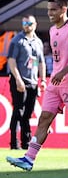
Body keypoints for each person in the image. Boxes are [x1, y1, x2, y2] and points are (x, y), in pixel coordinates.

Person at [6, 0, 68, 172]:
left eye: (53, 10)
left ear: (64, 9)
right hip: (55, 82)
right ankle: (28, 159)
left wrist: (63, 72)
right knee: (44, 118)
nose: (50, 13)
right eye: (48, 10)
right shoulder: (53, 30)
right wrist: (52, 75)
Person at [7, 15, 46, 150]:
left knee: (28, 113)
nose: (26, 25)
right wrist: (18, 79)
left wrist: (43, 80)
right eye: (24, 22)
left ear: (35, 24)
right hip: (20, 80)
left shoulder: (38, 42)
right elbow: (11, 61)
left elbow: (40, 62)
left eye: (29, 23)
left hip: (32, 82)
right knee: (18, 111)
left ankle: (26, 142)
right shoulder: (17, 41)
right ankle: (13, 142)